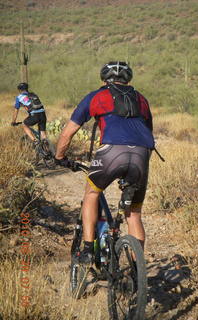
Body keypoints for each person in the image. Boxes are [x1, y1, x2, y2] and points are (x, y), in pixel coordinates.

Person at [55, 61, 155, 265]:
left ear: (104, 79)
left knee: (92, 193)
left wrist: (59, 157)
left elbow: (68, 133)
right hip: (141, 155)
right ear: (128, 80)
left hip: (111, 151)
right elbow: (148, 134)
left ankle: (88, 249)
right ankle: (137, 271)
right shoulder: (141, 99)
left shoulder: (96, 96)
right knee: (133, 213)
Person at [11, 82, 48, 147]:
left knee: (24, 124)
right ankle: (48, 150)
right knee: (43, 135)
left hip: (35, 115)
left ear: (19, 90)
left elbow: (16, 111)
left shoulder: (19, 97)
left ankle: (35, 141)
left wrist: (13, 121)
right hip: (43, 114)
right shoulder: (33, 94)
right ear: (27, 88)